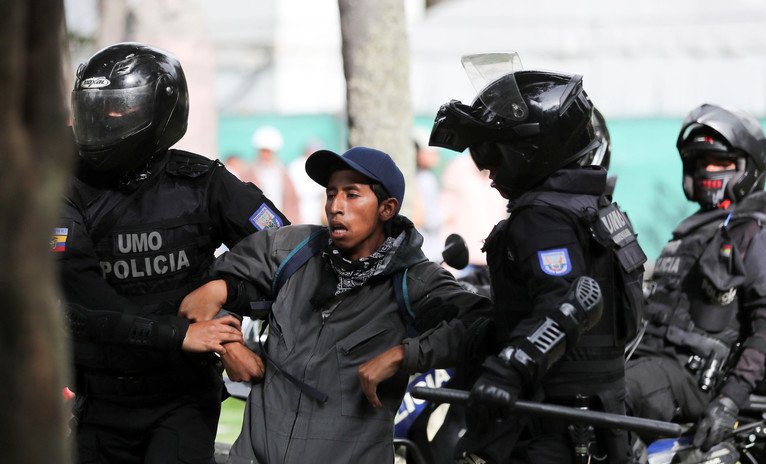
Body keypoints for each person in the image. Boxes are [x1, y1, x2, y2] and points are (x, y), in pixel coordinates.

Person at [178, 146, 492, 463]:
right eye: (331, 194)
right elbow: (211, 283)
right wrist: (230, 344)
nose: (335, 207)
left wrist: (404, 355)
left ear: (387, 208)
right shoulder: (293, 248)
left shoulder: (415, 281)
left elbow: (484, 326)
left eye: (352, 195)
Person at [56, 42, 290, 463]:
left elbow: (285, 253)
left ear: (159, 114)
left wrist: (224, 291)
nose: (100, 120)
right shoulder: (66, 188)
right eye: (94, 108)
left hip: (181, 399)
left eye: (116, 109)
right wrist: (182, 333)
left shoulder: (203, 182)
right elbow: (80, 297)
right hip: (100, 398)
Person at [429, 54, 646, 463]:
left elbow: (573, 298)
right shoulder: (591, 206)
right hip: (597, 414)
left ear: (533, 149)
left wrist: (509, 368)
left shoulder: (542, 215)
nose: (487, 167)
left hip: (548, 420)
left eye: (495, 152)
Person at [624, 104, 766, 452]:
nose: (708, 171)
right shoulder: (686, 236)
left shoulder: (755, 234)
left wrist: (729, 402)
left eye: (720, 163)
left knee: (619, 391)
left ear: (747, 169)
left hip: (692, 379)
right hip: (646, 360)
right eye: (701, 163)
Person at [250, 125, 301, 221]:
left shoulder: (283, 173)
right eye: (263, 151)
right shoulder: (250, 173)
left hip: (281, 223)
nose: (265, 154)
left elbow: (293, 203)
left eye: (268, 151)